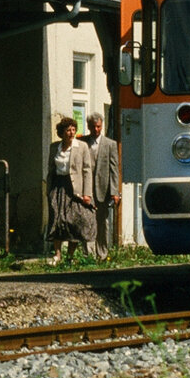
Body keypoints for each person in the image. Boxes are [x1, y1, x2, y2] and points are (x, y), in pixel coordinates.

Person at [46, 116, 96, 264]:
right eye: (68, 130)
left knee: (74, 221)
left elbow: (87, 170)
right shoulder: (54, 147)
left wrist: (87, 193)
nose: (71, 133)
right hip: (58, 186)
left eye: (73, 130)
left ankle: (70, 256)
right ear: (62, 132)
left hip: (75, 188)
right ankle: (57, 255)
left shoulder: (81, 147)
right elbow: (50, 169)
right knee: (57, 219)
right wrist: (48, 190)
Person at [84, 112, 122, 260]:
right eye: (93, 127)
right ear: (88, 126)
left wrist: (114, 192)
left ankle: (102, 253)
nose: (96, 130)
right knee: (87, 222)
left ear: (102, 125)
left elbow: (114, 170)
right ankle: (88, 254)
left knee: (102, 223)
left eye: (98, 126)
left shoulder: (110, 144)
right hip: (87, 189)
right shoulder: (83, 142)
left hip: (103, 189)